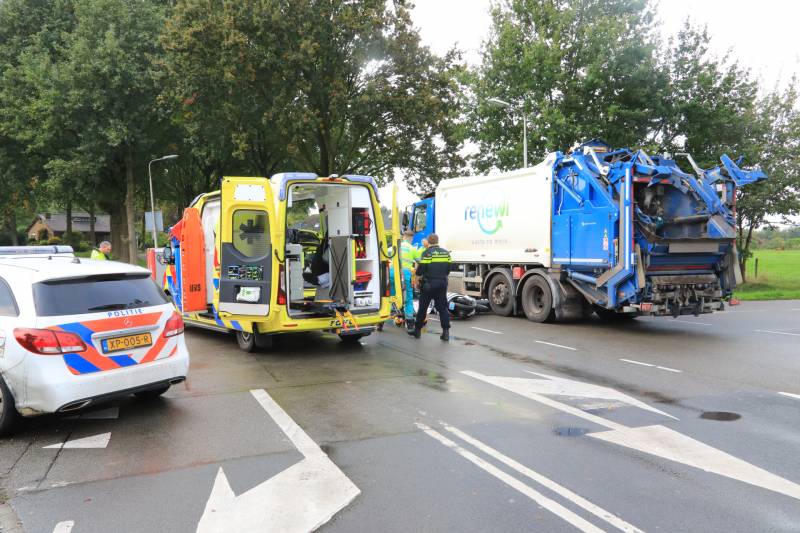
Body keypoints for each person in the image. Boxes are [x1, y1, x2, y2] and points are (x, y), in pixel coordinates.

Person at [410, 233, 451, 341]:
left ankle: (417, 330)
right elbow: (448, 270)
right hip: (442, 283)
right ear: (438, 241)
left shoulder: (426, 253)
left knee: (423, 308)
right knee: (442, 308)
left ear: (428, 242)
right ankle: (446, 332)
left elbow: (421, 270)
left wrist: (417, 276)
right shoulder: (446, 253)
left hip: (428, 284)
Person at [398, 230, 422, 323]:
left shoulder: (394, 247)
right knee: (408, 296)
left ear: (403, 237)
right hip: (406, 274)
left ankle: (381, 322)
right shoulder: (412, 248)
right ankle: (409, 321)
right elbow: (420, 261)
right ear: (411, 238)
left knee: (391, 296)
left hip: (392, 273)